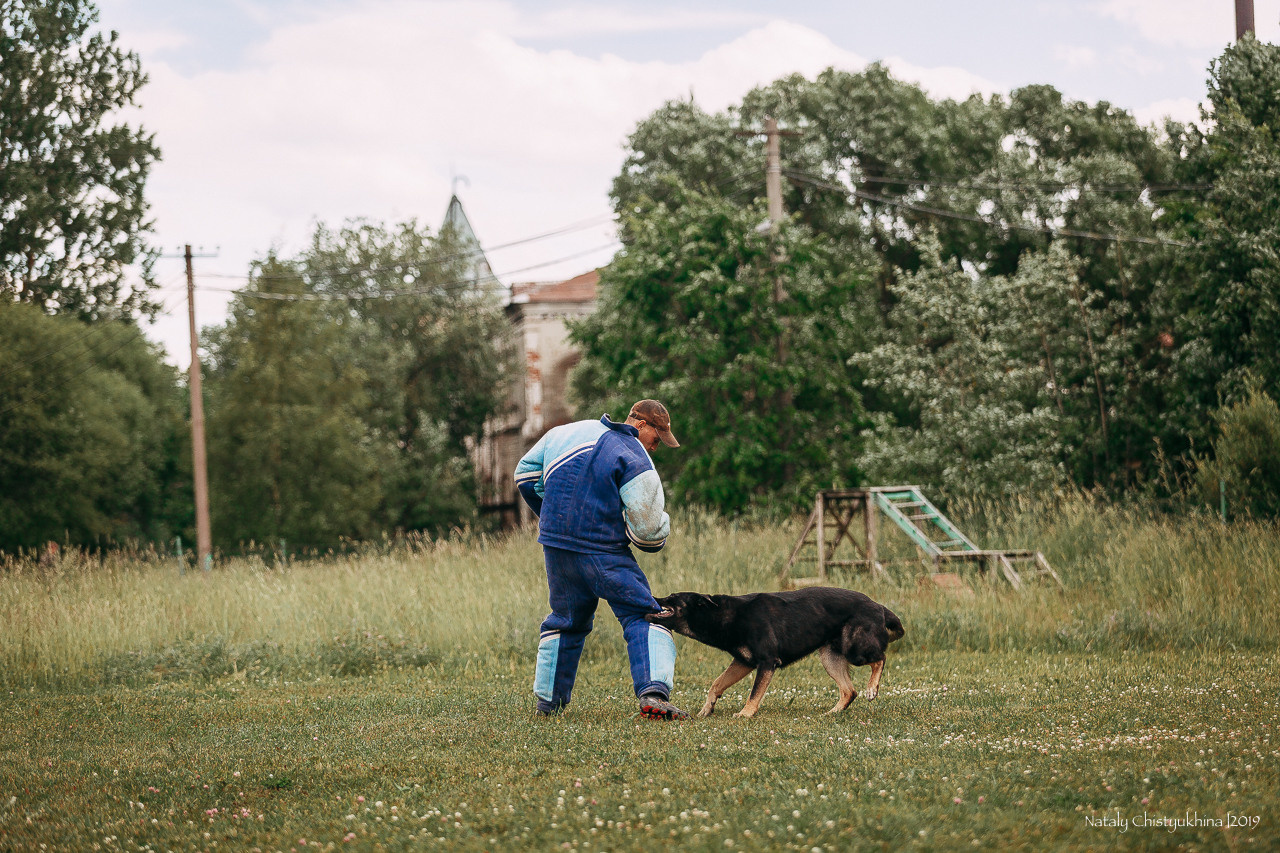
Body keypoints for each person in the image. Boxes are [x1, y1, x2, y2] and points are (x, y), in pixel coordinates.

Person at [514, 399, 687, 720]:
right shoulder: (634, 456)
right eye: (656, 439)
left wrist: (551, 515)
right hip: (602, 550)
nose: (656, 448)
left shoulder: (564, 433)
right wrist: (654, 528)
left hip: (556, 546)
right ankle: (653, 694)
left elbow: (524, 474)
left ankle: (547, 705)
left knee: (566, 620)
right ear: (640, 425)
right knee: (645, 615)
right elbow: (649, 533)